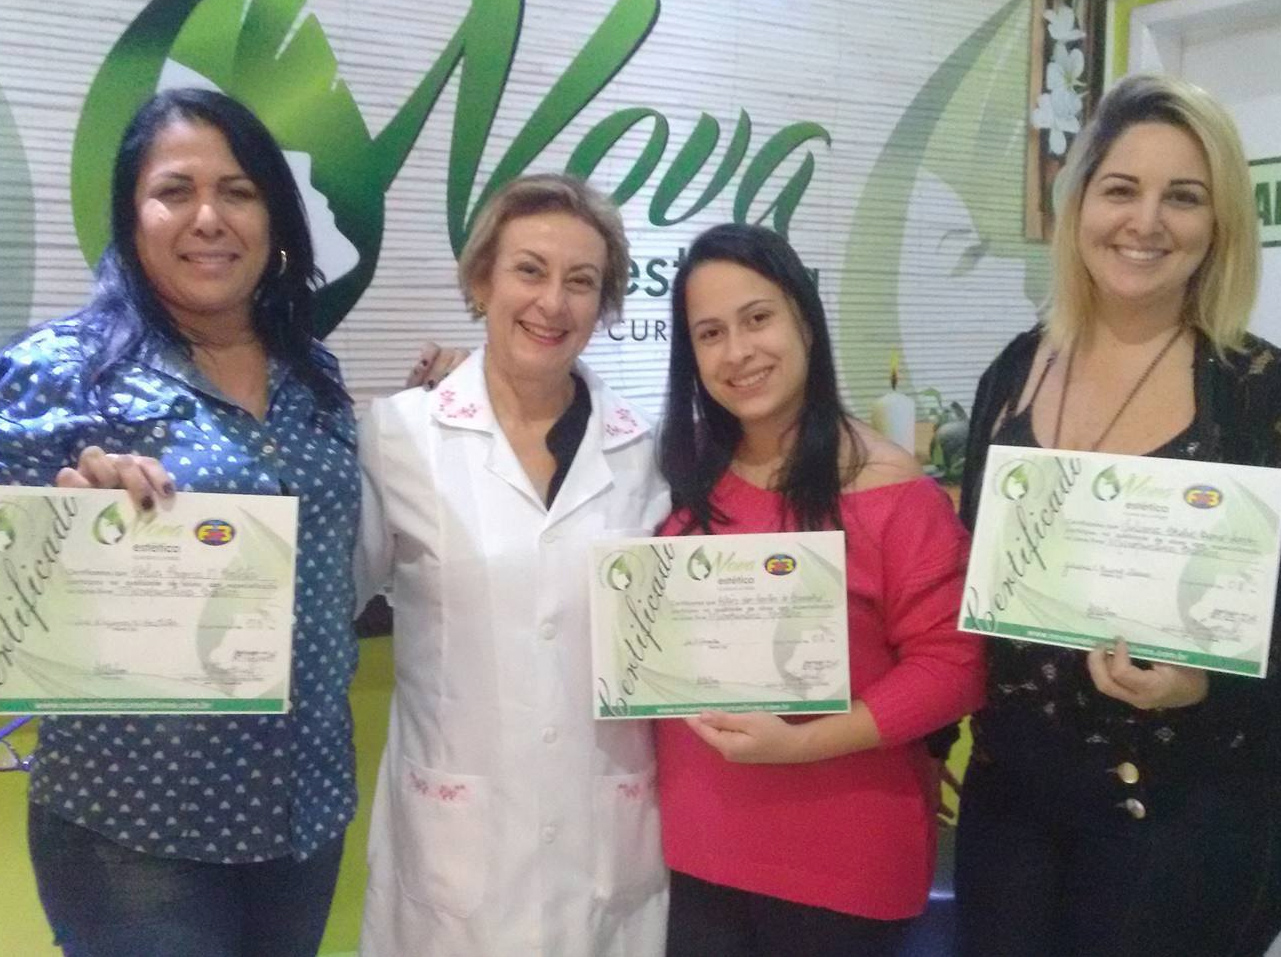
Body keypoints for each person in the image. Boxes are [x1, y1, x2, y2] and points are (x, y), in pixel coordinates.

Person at [0, 88, 360, 957]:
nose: (209, 217)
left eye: (238, 191)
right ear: (132, 217)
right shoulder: (63, 372)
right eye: (174, 190)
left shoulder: (314, 374)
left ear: (275, 219)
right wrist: (58, 528)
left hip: (304, 810)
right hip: (135, 828)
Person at [954, 73, 1281, 957]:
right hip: (1010, 809)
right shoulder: (1012, 372)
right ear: (1080, 204)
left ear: (1219, 223)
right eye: (1120, 189)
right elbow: (974, 570)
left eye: (1183, 197)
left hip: (1180, 817)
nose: (1145, 222)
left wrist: (1204, 683)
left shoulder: (1256, 395)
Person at [355, 173, 669, 956]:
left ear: (603, 303)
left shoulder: (644, 451)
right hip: (455, 843)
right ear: (481, 281)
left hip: (605, 839)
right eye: (529, 270)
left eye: (581, 281)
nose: (552, 302)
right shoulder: (399, 436)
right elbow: (326, 598)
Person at [654, 222, 986, 957]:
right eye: (710, 333)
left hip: (840, 858)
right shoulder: (685, 479)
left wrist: (801, 743)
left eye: (757, 318)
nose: (737, 352)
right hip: (696, 847)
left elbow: (954, 666)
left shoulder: (889, 487)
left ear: (804, 320)